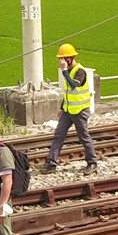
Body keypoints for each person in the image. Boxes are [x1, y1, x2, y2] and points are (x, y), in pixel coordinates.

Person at [45, 43, 98, 174]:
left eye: (62, 58)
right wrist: (62, 107)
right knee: (58, 135)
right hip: (68, 111)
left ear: (70, 58)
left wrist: (63, 71)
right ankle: (51, 163)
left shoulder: (80, 71)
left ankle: (92, 162)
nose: (61, 61)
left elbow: (73, 86)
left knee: (84, 137)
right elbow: (68, 92)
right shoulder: (68, 71)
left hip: (80, 111)